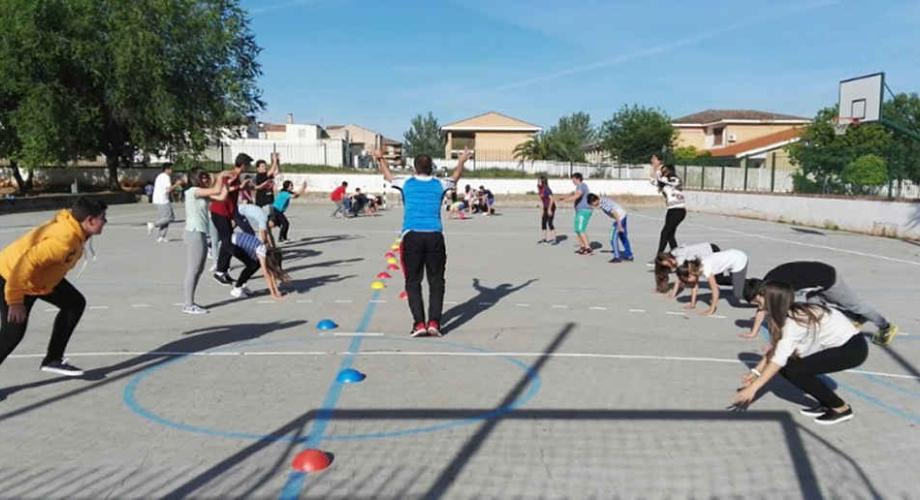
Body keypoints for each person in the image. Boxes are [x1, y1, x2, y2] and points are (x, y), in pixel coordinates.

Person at [0, 197, 108, 376]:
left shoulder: (76, 230)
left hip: (38, 281)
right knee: (12, 334)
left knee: (74, 303)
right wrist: (15, 301)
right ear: (90, 220)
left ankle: (53, 359)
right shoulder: (64, 240)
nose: (105, 222)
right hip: (11, 277)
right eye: (102, 218)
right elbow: (25, 264)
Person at [733, 281, 868, 425]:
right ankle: (826, 403)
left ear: (773, 299)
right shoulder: (790, 312)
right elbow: (777, 348)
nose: (756, 305)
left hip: (852, 349)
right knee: (790, 366)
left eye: (759, 300)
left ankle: (841, 409)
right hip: (842, 345)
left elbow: (778, 360)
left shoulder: (792, 322)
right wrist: (756, 372)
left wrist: (752, 389)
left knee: (793, 370)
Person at [375, 148, 470, 337]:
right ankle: (434, 322)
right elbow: (456, 177)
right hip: (434, 236)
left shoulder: (406, 182)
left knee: (413, 281)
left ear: (414, 168)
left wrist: (380, 158)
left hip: (412, 236)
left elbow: (387, 176)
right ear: (432, 168)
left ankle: (419, 323)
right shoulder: (440, 183)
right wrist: (461, 161)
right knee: (436, 281)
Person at [742, 262, 898, 346]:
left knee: (855, 305)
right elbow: (763, 308)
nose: (758, 305)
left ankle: (886, 326)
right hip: (810, 284)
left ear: (761, 292)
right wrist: (754, 332)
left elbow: (791, 312)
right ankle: (855, 318)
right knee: (817, 309)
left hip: (827, 279)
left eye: (756, 301)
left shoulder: (781, 288)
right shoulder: (767, 284)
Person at [182, 169, 229, 314]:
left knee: (198, 269)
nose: (205, 180)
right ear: (195, 179)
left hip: (200, 232)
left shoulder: (203, 193)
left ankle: (190, 303)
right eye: (202, 177)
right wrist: (221, 176)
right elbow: (216, 189)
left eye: (205, 177)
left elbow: (222, 196)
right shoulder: (193, 191)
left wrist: (226, 182)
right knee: (193, 269)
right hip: (194, 232)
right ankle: (188, 305)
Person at [211, 153, 252, 286]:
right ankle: (220, 271)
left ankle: (222, 271)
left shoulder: (236, 176)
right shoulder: (230, 175)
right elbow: (224, 189)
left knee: (227, 241)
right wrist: (239, 186)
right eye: (248, 164)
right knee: (228, 242)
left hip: (226, 213)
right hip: (219, 211)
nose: (249, 167)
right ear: (243, 165)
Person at [675, 248, 749, 315]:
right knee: (737, 283)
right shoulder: (693, 267)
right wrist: (692, 304)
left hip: (739, 259)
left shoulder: (705, 268)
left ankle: (756, 296)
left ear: (690, 274)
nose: (688, 282)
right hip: (733, 256)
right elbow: (694, 286)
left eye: (687, 280)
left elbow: (715, 290)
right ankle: (747, 284)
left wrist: (711, 309)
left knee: (738, 294)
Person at [229, 229, 288, 299]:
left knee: (254, 265)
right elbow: (266, 275)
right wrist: (273, 293)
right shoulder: (262, 252)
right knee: (252, 265)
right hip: (232, 243)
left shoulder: (267, 250)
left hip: (236, 239)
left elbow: (271, 273)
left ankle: (241, 285)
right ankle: (237, 289)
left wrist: (277, 291)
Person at [654, 242, 724, 294]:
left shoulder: (680, 257)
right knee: (716, 278)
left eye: (669, 262)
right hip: (708, 251)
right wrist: (659, 287)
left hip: (711, 250)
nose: (670, 265)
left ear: (668, 257)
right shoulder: (673, 253)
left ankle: (731, 276)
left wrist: (673, 294)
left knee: (720, 280)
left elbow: (679, 279)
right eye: (667, 265)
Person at [651, 163, 686, 255]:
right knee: (670, 235)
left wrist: (659, 174)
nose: (664, 172)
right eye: (663, 171)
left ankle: (659, 255)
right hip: (671, 210)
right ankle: (677, 254)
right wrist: (655, 169)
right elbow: (652, 181)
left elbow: (671, 182)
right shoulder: (664, 184)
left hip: (679, 210)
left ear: (670, 170)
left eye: (665, 170)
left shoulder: (675, 179)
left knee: (665, 232)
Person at [588, 194, 634, 263]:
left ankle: (617, 257)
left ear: (596, 200)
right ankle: (629, 255)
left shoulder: (603, 204)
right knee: (623, 237)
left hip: (619, 218)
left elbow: (615, 213)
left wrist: (619, 225)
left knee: (613, 238)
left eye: (592, 204)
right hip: (623, 214)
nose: (592, 206)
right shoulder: (602, 200)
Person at [557, 172, 592, 255]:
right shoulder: (579, 187)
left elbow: (577, 195)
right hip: (580, 211)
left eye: (573, 179)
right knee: (577, 230)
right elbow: (573, 194)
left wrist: (565, 201)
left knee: (580, 229)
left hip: (584, 211)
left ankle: (588, 248)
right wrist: (564, 197)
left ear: (577, 179)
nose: (572, 181)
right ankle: (582, 247)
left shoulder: (581, 185)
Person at [147, 164, 183, 243]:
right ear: (166, 169)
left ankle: (161, 236)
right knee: (170, 217)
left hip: (159, 199)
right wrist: (177, 184)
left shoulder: (160, 176)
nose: (172, 170)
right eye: (171, 169)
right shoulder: (166, 177)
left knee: (165, 218)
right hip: (162, 200)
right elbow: (168, 189)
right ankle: (153, 224)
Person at [537, 176, 556, 244]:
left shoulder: (546, 189)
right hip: (545, 206)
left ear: (543, 181)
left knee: (550, 223)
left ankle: (554, 239)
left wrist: (549, 209)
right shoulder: (540, 189)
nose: (538, 182)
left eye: (539, 181)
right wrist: (542, 210)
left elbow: (552, 199)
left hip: (551, 206)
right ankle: (544, 239)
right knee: (543, 222)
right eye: (538, 181)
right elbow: (541, 200)